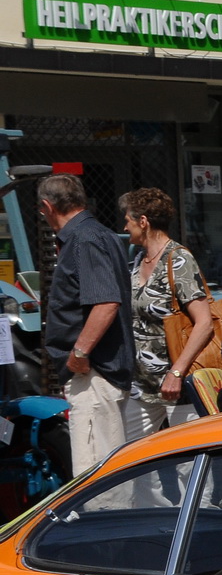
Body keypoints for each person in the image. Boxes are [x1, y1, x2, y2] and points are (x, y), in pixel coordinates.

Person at [38, 175, 135, 474]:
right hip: (100, 372)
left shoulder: (84, 238)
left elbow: (106, 303)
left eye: (42, 211)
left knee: (94, 474)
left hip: (94, 373)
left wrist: (79, 353)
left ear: (48, 207)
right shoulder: (97, 235)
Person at [117, 187, 214, 438]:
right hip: (141, 387)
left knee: (188, 456)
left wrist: (176, 372)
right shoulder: (138, 261)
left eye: (128, 220)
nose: (125, 227)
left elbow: (204, 323)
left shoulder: (179, 259)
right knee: (130, 453)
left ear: (143, 222)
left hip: (178, 386)